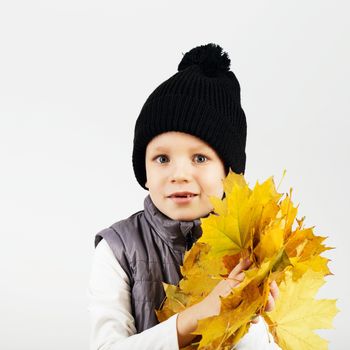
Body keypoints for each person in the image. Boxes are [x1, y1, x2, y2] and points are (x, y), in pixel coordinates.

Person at [87, 43, 280, 349]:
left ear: (229, 171)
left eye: (200, 159)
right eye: (162, 159)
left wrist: (251, 319)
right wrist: (199, 315)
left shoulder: (252, 246)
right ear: (144, 170)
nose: (179, 174)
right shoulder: (118, 249)